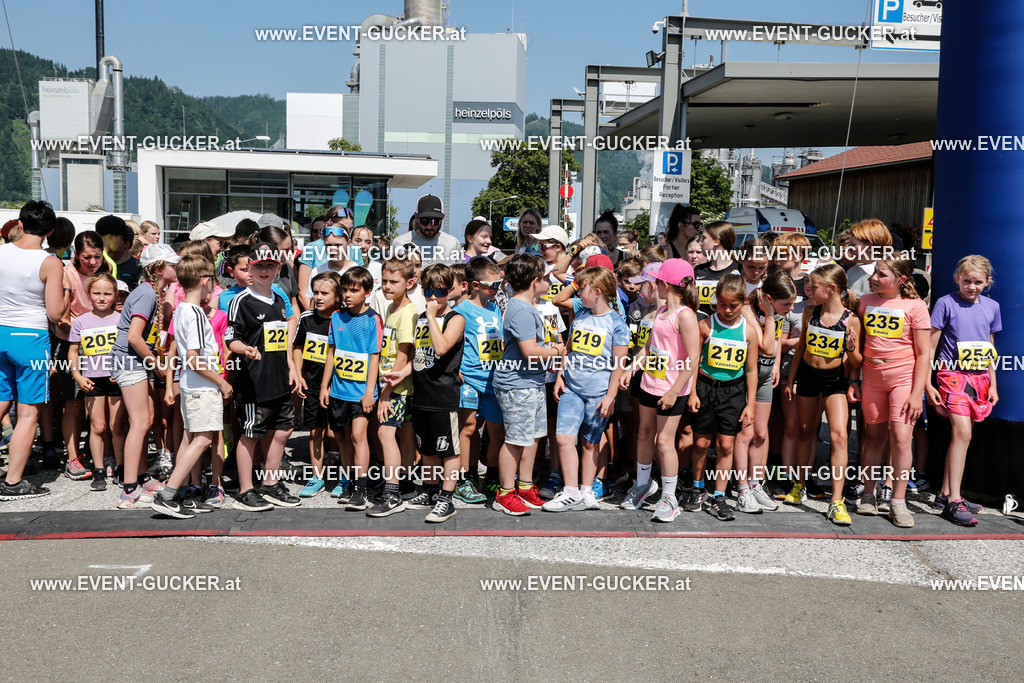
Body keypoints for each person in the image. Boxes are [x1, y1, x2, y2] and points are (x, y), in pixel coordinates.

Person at [151, 255, 234, 518]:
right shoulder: (196, 312)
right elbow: (195, 360)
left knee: (190, 438)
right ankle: (168, 493)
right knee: (203, 439)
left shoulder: (182, 310)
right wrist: (222, 382)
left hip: (190, 384)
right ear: (205, 281)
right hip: (201, 385)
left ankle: (173, 492)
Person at [542, 266, 629, 512]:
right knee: (563, 438)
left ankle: (586, 489)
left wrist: (611, 396)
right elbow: (569, 348)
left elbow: (619, 365)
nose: (578, 294)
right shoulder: (580, 314)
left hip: (599, 393)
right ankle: (570, 491)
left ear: (598, 292)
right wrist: (560, 375)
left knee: (590, 442)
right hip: (572, 388)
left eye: (583, 290)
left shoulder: (617, 324)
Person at [0, 201, 69, 500]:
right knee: (28, 413)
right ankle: (13, 482)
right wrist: (67, 292)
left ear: (20, 223)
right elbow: (55, 313)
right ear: (50, 231)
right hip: (29, 337)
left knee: (2, 402)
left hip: (0, 331)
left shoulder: (1, 252)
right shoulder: (50, 262)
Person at [621, 259, 699, 521]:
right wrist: (631, 369)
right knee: (644, 433)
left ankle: (669, 497)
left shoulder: (685, 315)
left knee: (664, 442)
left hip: (671, 389)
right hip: (649, 383)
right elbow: (648, 348)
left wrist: (673, 391)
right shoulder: (661, 311)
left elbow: (692, 359)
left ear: (665, 284)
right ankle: (642, 485)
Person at [855, 256, 930, 528]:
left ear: (901, 280)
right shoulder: (865, 302)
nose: (874, 278)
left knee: (900, 438)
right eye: (874, 272)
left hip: (903, 377)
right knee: (873, 436)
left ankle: (898, 501)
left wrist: (915, 393)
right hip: (872, 376)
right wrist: (854, 380)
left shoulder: (916, 306)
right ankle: (868, 493)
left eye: (882, 274)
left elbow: (924, 354)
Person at [225, 241, 301, 511]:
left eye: (271, 265)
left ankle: (271, 483)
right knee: (251, 434)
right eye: (259, 266)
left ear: (278, 268)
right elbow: (230, 338)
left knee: (284, 429)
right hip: (253, 381)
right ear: (250, 269)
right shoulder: (240, 301)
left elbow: (284, 343)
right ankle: (246, 489)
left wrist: (292, 368)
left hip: (279, 377)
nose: (265, 270)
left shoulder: (279, 299)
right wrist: (244, 349)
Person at [783, 264, 861, 525]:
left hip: (834, 380)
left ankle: (836, 500)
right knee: (806, 431)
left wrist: (851, 348)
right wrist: (791, 379)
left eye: (814, 286)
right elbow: (803, 345)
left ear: (832, 289)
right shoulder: (809, 311)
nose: (810, 290)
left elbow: (858, 360)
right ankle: (799, 484)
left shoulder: (852, 319)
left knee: (839, 436)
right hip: (807, 375)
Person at [927, 255, 1001, 526]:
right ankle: (954, 500)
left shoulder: (992, 307)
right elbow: (930, 347)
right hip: (952, 377)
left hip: (980, 378)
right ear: (957, 278)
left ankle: (946, 493)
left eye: (978, 282)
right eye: (967, 281)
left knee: (963, 436)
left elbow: (989, 346)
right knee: (962, 433)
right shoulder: (946, 303)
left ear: (987, 282)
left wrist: (993, 383)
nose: (971, 286)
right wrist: (928, 382)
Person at [491, 254, 566, 516]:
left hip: (530, 382)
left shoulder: (526, 307)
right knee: (515, 440)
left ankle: (524, 487)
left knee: (532, 437)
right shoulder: (521, 310)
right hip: (517, 385)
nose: (549, 282)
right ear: (535, 282)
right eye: (546, 278)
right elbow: (529, 351)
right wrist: (558, 349)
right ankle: (505, 493)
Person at [109, 243, 178, 508]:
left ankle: (140, 478)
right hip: (129, 361)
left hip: (137, 361)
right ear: (159, 269)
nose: (177, 268)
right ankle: (128, 490)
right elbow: (134, 336)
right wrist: (156, 364)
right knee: (139, 422)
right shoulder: (146, 294)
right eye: (172, 264)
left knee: (146, 419)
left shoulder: (153, 293)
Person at [688, 274, 758, 521]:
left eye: (733, 305)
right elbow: (694, 361)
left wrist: (750, 404)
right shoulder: (706, 325)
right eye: (722, 304)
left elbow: (751, 369)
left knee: (726, 445)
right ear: (715, 301)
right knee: (700, 443)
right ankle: (697, 488)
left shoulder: (748, 332)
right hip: (706, 387)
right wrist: (694, 391)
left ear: (744, 302)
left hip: (734, 391)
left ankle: (718, 495)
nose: (727, 310)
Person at [403, 264, 466, 522]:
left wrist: (431, 317)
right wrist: (402, 372)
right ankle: (429, 490)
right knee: (427, 449)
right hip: (422, 393)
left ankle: (446, 498)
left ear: (450, 290)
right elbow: (420, 356)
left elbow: (440, 348)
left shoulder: (456, 318)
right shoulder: (420, 318)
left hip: (443, 395)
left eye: (438, 292)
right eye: (428, 291)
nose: (432, 298)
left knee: (448, 451)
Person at [734, 272, 797, 514]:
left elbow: (777, 342)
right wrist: (770, 315)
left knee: (761, 433)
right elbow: (766, 346)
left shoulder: (776, 313)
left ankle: (756, 483)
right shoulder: (749, 310)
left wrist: (776, 365)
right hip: (746, 377)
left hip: (765, 376)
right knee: (745, 434)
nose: (790, 309)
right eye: (786, 304)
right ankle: (742, 489)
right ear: (769, 299)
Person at [320, 267, 382, 511]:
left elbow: (374, 356)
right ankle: (348, 481)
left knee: (358, 436)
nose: (347, 295)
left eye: (353, 291)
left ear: (367, 292)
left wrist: (369, 392)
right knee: (342, 438)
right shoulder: (336, 317)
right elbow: (331, 353)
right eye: (344, 290)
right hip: (338, 390)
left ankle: (362, 488)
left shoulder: (372, 319)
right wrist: (325, 386)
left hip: (361, 392)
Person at [367, 256, 420, 517]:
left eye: (393, 282)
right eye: (384, 281)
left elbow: (403, 355)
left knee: (385, 434)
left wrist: (386, 392)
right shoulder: (392, 309)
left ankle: (392, 492)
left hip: (397, 386)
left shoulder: (408, 313)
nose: (387, 287)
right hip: (395, 385)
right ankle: (407, 483)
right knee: (405, 432)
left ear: (409, 283)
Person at [453, 257, 506, 504]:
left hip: (493, 378)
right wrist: (457, 372)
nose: (496, 289)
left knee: (497, 431)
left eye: (499, 283)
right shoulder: (461, 310)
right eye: (491, 285)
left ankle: (492, 475)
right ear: (474, 284)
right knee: (469, 428)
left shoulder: (495, 309)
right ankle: (466, 478)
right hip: (470, 379)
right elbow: (452, 344)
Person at [68, 273, 124, 491]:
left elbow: (126, 349)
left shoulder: (121, 319)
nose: (102, 298)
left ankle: (120, 468)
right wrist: (77, 375)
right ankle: (99, 470)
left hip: (116, 378)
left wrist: (120, 369)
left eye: (107, 293)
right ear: (88, 294)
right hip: (92, 380)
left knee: (116, 426)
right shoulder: (81, 321)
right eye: (97, 293)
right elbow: (73, 352)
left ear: (115, 295)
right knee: (97, 426)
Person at [294, 271, 343, 498]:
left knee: (340, 433)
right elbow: (297, 347)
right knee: (315, 431)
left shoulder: (344, 318)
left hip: (341, 386)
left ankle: (346, 476)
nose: (319, 297)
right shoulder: (306, 319)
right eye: (315, 292)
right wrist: (299, 373)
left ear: (338, 296)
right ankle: (316, 476)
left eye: (325, 293)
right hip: (313, 384)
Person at [298, 206, 354, 304]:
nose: (346, 233)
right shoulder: (312, 252)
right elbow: (305, 294)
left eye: (349, 230)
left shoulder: (354, 250)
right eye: (342, 227)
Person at [392, 194, 462, 266]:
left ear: (443, 218)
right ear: (416, 217)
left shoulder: (453, 244)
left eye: (435, 221)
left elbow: (459, 275)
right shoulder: (399, 243)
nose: (429, 226)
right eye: (424, 221)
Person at [693, 221, 741, 315]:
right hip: (702, 327)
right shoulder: (698, 270)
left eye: (704, 238)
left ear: (716, 241)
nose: (700, 243)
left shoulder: (739, 270)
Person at [844, 219, 894, 295]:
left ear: (869, 246)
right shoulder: (852, 272)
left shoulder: (889, 276)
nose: (849, 249)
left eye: (853, 245)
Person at [96, 214, 143, 290]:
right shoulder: (96, 261)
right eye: (121, 237)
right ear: (110, 236)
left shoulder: (138, 267)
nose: (121, 241)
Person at [351, 225, 382, 293]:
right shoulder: (340, 267)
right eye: (358, 241)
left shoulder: (379, 269)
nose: (363, 246)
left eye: (368, 242)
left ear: (373, 245)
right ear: (349, 242)